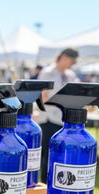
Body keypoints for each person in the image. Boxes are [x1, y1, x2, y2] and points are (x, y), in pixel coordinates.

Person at [37, 47, 79, 183]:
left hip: (64, 120)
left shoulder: (71, 75)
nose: (73, 64)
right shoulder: (47, 73)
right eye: (72, 61)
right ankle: (45, 183)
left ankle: (58, 181)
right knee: (48, 155)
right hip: (48, 119)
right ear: (64, 57)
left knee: (61, 155)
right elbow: (42, 98)